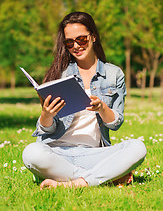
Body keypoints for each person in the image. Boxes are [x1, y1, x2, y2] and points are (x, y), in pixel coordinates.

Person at [22, 11, 147, 189]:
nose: (76, 46)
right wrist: (46, 114)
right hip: (56, 151)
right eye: (69, 42)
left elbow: (115, 123)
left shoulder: (113, 74)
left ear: (93, 37)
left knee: (137, 147)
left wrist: (102, 108)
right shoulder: (59, 73)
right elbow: (47, 129)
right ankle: (102, 176)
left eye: (81, 39)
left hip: (93, 153)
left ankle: (72, 182)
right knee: (31, 153)